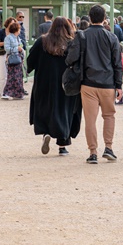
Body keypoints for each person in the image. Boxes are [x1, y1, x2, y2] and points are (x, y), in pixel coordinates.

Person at [66, 4, 123, 164]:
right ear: (104, 18)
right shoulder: (112, 37)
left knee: (90, 120)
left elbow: (70, 58)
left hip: (88, 84)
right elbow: (117, 63)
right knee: (109, 116)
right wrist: (119, 85)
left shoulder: (82, 36)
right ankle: (109, 148)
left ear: (90, 18)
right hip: (108, 84)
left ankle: (93, 152)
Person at [26, 17, 81, 157]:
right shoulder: (72, 42)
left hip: (45, 81)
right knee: (65, 110)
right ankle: (63, 145)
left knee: (46, 107)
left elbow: (30, 61)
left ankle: (46, 132)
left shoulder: (42, 41)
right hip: (66, 83)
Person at [2, 19, 27, 100]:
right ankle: (6, 93)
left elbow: (21, 46)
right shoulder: (8, 38)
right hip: (12, 58)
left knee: (18, 77)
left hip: (18, 58)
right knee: (12, 76)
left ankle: (18, 93)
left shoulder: (17, 38)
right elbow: (7, 49)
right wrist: (17, 48)